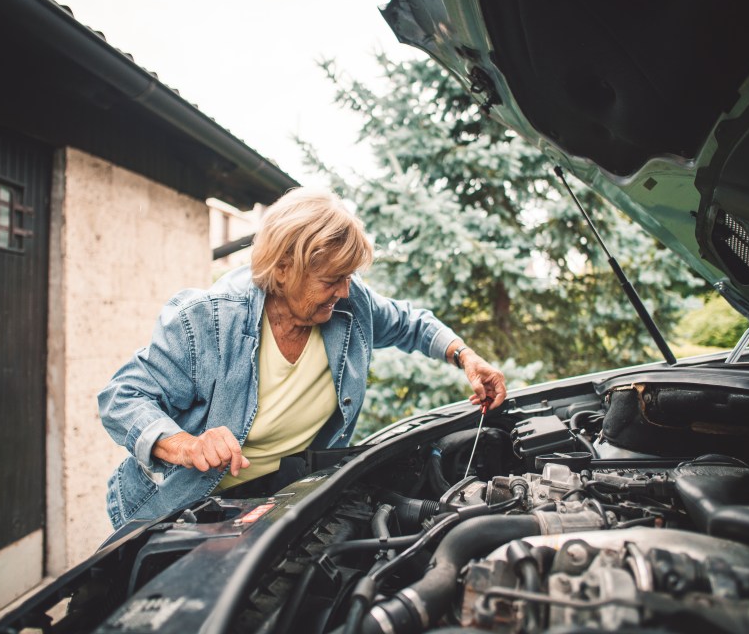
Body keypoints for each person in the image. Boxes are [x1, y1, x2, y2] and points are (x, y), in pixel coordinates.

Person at [98, 187, 507, 528]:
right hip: (176, 510)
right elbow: (122, 398)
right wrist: (185, 445)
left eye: (348, 278)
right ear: (282, 269)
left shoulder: (350, 305)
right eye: (332, 280)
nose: (345, 292)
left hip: (273, 503)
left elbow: (409, 323)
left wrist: (464, 356)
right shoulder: (209, 320)